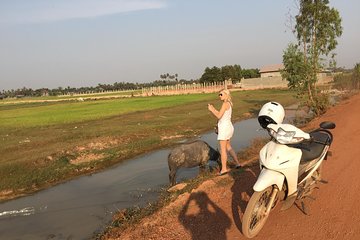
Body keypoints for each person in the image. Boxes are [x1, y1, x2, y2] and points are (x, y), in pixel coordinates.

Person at [208, 89, 241, 175]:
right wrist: (214, 109)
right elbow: (221, 114)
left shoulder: (225, 104)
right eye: (219, 94)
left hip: (224, 128)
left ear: (226, 95)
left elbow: (219, 116)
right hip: (228, 126)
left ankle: (224, 169)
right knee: (228, 147)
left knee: (223, 149)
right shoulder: (229, 103)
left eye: (221, 94)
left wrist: (212, 110)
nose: (219, 96)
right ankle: (237, 163)